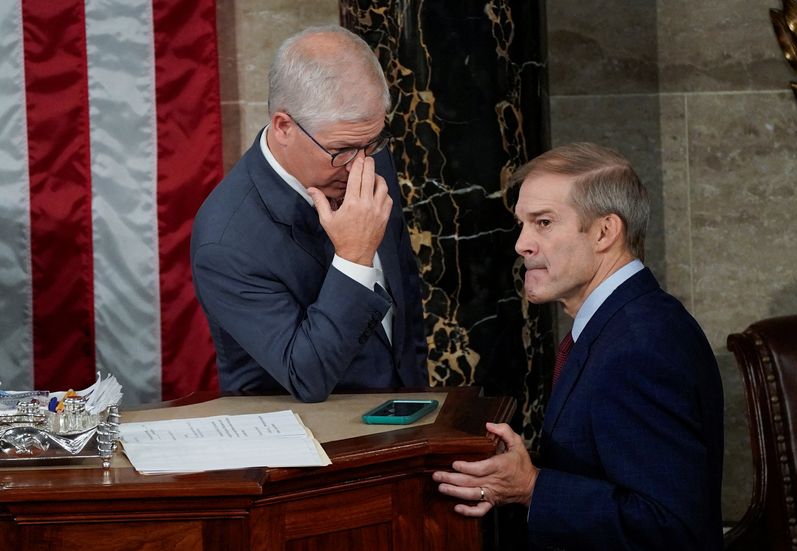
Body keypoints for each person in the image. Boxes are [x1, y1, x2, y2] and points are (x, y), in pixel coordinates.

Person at [433, 143, 724, 550]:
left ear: (605, 231)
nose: (522, 244)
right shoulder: (621, 323)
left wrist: (534, 488)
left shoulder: (639, 348)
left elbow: (669, 527)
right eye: (522, 224)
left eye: (544, 223)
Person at [190, 26, 427, 402]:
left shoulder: (360, 148)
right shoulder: (225, 241)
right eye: (342, 150)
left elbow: (406, 307)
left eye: (373, 144)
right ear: (284, 126)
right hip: (313, 448)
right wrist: (354, 258)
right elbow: (307, 376)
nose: (361, 166)